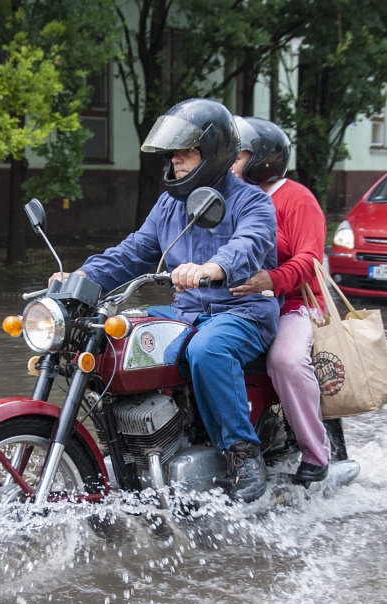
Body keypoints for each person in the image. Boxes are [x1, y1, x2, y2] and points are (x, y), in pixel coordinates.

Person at [52, 98, 279, 503]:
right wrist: (80, 277)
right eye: (173, 153)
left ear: (213, 152)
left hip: (240, 312)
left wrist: (212, 267)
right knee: (113, 334)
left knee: (208, 351)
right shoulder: (169, 204)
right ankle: (129, 447)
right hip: (187, 311)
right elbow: (133, 251)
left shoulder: (252, 201)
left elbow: (249, 244)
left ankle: (242, 453)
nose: (175, 161)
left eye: (186, 152)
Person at [229, 116, 331, 485]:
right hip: (241, 304)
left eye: (237, 156)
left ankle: (316, 452)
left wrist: (271, 279)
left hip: (295, 302)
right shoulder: (230, 198)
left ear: (262, 159)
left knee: (285, 359)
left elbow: (309, 260)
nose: (229, 164)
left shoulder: (295, 198)